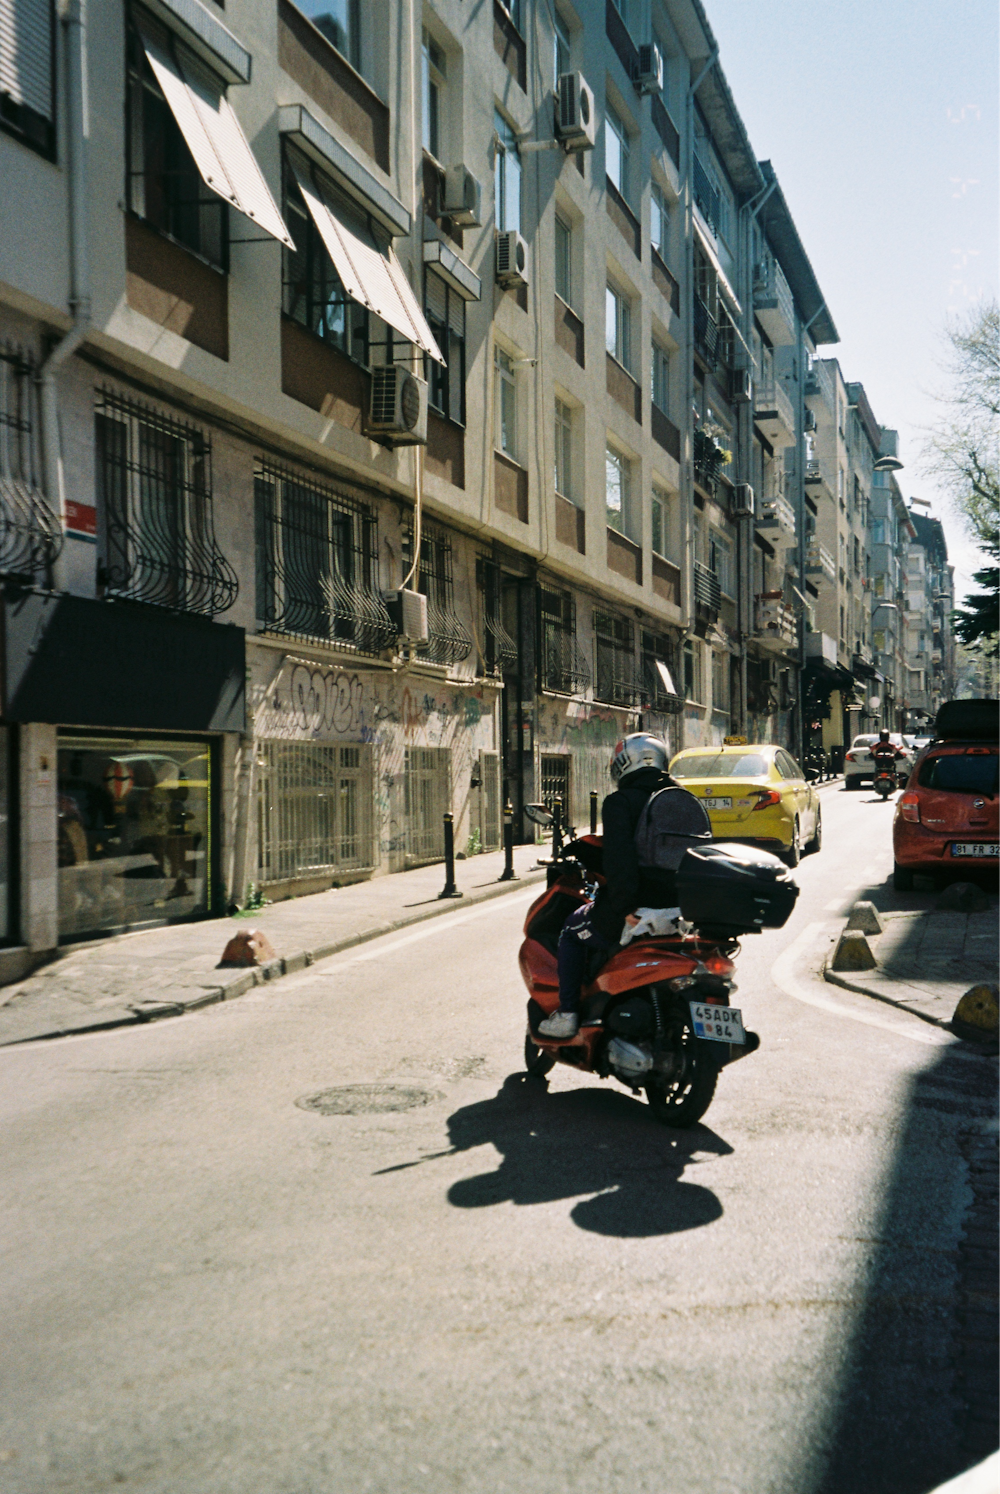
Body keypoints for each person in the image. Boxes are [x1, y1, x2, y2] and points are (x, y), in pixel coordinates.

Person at [538, 733, 681, 1040]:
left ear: (623, 762)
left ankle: (568, 1014)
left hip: (640, 908)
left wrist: (625, 908)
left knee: (571, 931)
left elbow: (620, 860)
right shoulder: (684, 798)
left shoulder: (621, 802)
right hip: (684, 909)